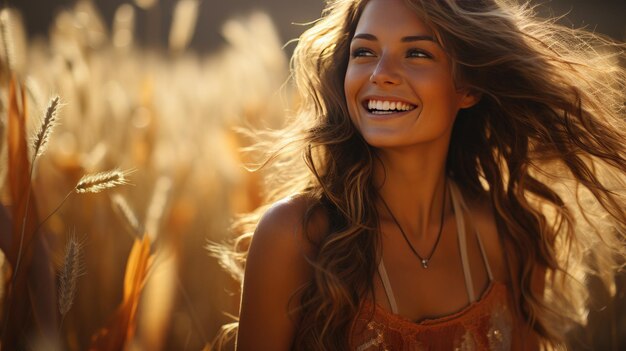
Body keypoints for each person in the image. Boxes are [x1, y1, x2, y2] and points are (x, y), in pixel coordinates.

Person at [218, 0, 626, 349]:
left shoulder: (510, 237)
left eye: (417, 54)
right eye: (364, 52)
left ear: (468, 87)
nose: (380, 73)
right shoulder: (296, 236)